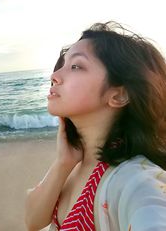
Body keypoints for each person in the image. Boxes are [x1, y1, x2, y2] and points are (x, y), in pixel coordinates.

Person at [25, 21, 166, 231]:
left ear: (118, 95)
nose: (54, 76)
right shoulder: (76, 165)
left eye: (76, 66)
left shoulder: (136, 180)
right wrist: (63, 163)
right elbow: (33, 221)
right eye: (62, 65)